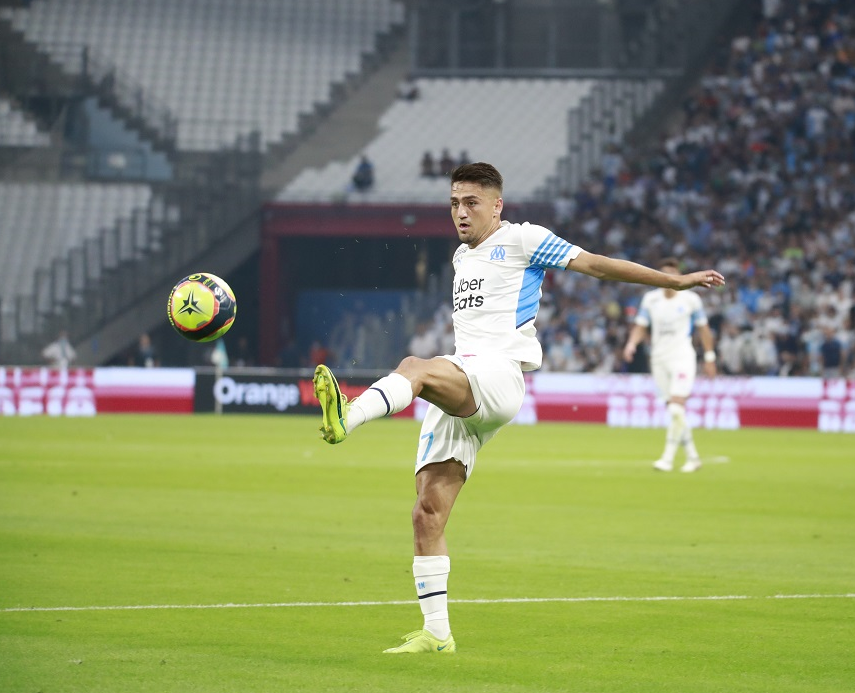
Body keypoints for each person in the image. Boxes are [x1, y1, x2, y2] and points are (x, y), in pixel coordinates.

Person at [312, 162, 725, 655]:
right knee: (427, 514)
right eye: (453, 203)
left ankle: (347, 416)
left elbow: (594, 264)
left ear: (496, 205)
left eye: (471, 203)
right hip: (466, 382)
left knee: (413, 367)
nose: (460, 213)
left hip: (501, 375)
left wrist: (673, 283)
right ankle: (437, 634)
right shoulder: (461, 260)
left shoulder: (526, 239)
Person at [622, 257, 718, 473]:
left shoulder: (691, 299)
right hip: (658, 359)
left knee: (676, 408)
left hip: (682, 357)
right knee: (675, 412)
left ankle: (667, 458)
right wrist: (631, 344)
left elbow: (703, 329)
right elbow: (640, 325)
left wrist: (710, 357)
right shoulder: (650, 299)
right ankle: (693, 457)